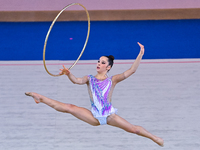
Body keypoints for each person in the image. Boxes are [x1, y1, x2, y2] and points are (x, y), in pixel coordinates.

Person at [25, 42, 164, 147]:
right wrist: (68, 74)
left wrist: (140, 54)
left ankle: (155, 138)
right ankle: (40, 97)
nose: (99, 63)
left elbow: (131, 70)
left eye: (102, 62)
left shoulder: (112, 80)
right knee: (69, 107)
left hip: (110, 116)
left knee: (134, 130)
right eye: (98, 61)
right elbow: (76, 81)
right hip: (94, 117)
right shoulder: (89, 78)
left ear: (108, 67)